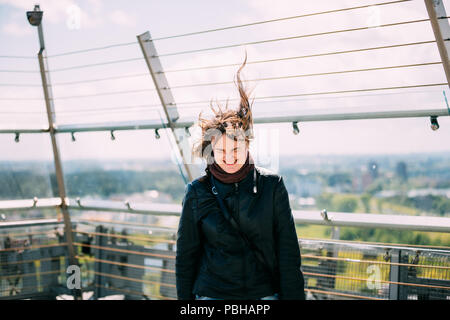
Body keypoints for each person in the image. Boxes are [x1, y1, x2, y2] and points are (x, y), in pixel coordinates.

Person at [175, 53, 305, 300]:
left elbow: (288, 253)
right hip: (212, 294)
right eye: (222, 150)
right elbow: (185, 258)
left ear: (248, 145)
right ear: (211, 151)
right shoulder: (196, 192)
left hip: (263, 294)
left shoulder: (272, 186)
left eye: (236, 149)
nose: (230, 157)